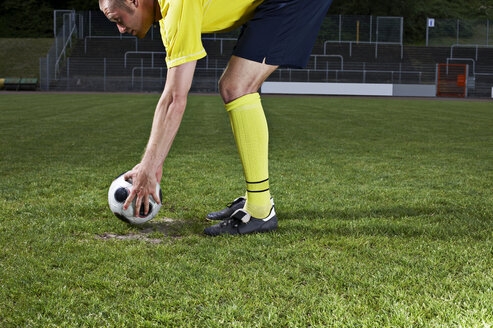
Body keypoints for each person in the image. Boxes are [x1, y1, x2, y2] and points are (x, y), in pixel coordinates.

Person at [99, 0, 332, 236]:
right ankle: (256, 199)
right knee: (234, 86)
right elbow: (171, 97)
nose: (120, 29)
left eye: (118, 20)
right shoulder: (167, 12)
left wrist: (148, 169)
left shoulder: (176, 5)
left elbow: (174, 99)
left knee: (238, 87)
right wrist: (153, 163)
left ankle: (261, 210)